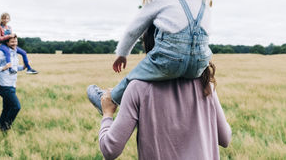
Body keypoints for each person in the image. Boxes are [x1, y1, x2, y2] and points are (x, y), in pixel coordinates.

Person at [87, 0, 214, 114]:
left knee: (134, 77)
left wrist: (122, 54)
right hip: (199, 65)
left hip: (169, 60)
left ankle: (110, 99)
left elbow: (134, 29)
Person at [98, 63, 232, 160]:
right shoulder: (205, 83)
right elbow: (225, 138)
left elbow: (110, 150)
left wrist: (107, 114)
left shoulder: (137, 87)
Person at [0, 34, 26, 131]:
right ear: (7, 42)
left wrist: (23, 67)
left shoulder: (14, 53)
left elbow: (13, 67)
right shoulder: (1, 53)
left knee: (7, 108)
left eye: (16, 41)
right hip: (3, 86)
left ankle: (0, 127)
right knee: (16, 107)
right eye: (12, 42)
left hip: (12, 85)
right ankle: (6, 128)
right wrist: (3, 68)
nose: (14, 43)